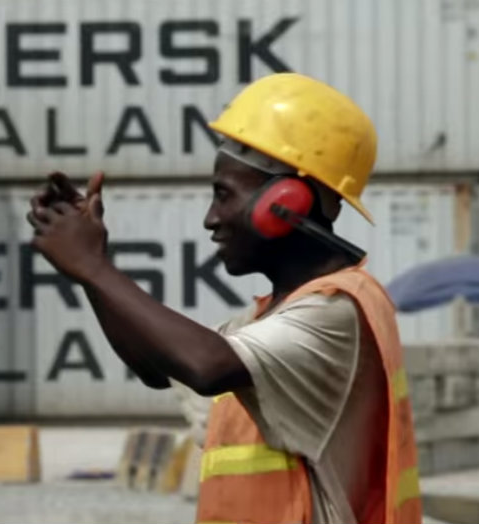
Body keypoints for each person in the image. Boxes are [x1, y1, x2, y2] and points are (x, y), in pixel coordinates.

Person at [26, 72, 421, 524]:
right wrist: (90, 272)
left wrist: (93, 266)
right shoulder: (271, 320)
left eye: (223, 195)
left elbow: (206, 365)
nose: (211, 219)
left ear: (285, 201)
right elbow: (156, 367)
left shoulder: (337, 312)